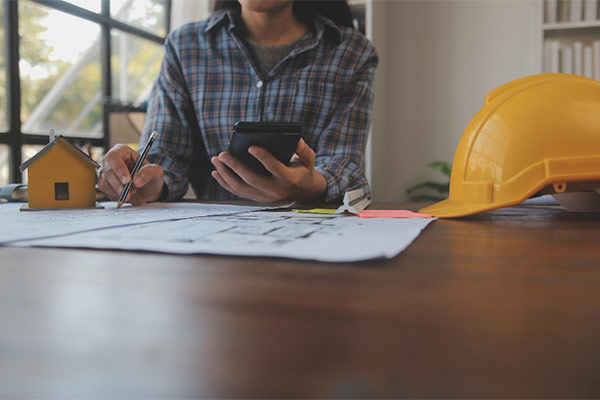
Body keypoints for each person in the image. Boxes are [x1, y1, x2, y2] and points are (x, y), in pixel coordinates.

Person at [98, 0, 378, 205]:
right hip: (211, 245)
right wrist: (147, 180)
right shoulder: (184, 46)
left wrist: (311, 185)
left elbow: (343, 166)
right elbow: (166, 160)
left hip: (315, 239)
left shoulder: (352, 53)